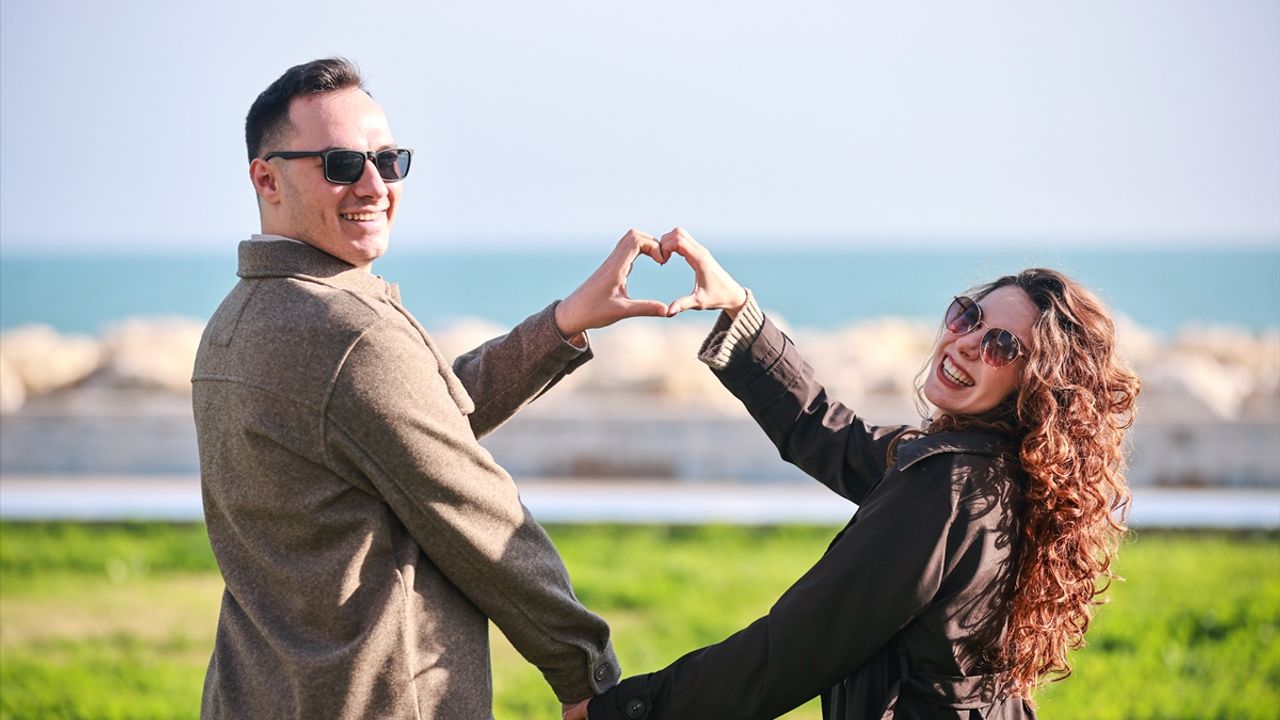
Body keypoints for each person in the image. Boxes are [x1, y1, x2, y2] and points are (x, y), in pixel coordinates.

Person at [192, 58, 673, 719]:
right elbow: (478, 514)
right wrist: (588, 673)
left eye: (388, 161)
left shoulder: (234, 321)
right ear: (266, 179)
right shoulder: (350, 334)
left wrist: (563, 324)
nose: (374, 185)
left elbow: (408, 423)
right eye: (340, 164)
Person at [572, 228, 1141, 720]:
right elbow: (834, 436)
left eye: (1000, 346)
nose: (965, 343)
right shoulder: (1017, 471)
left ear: (1036, 384)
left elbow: (794, 650)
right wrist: (741, 312)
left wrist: (626, 709)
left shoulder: (948, 487)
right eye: (969, 317)